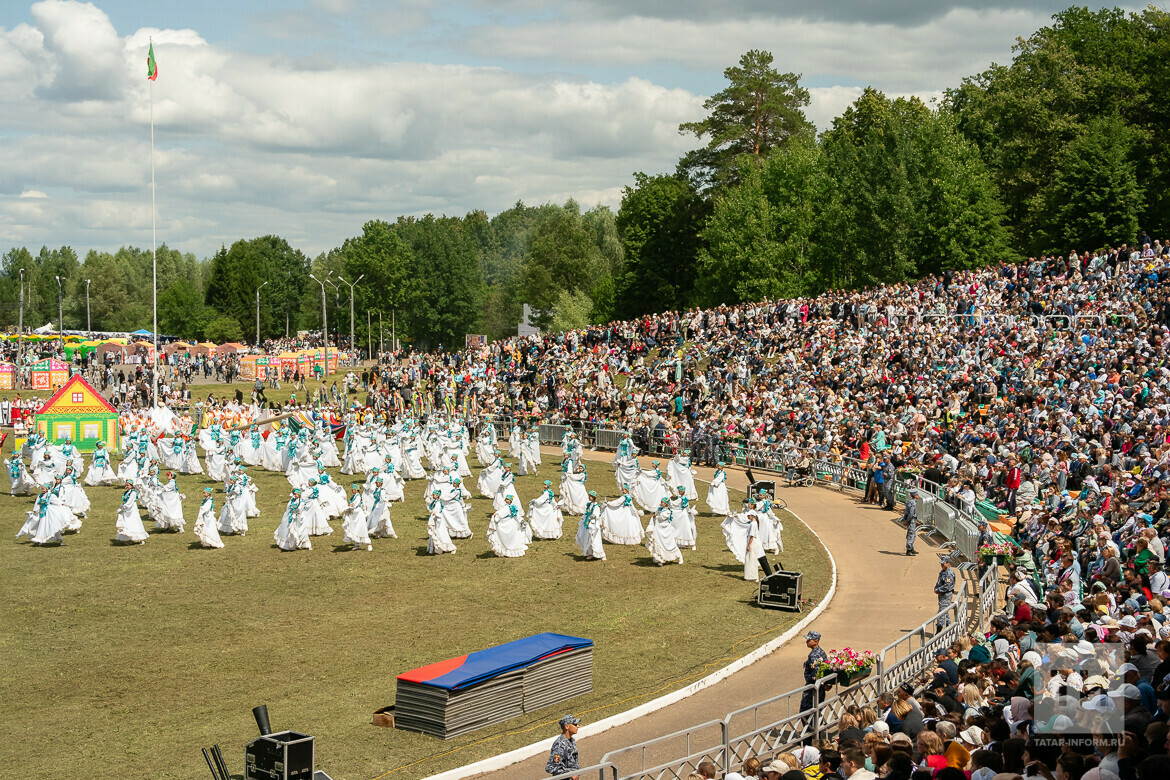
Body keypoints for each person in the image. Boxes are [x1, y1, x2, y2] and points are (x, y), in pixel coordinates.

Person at [801, 631, 828, 711]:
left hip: (813, 688)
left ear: (816, 641)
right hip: (819, 687)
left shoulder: (814, 655)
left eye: (809, 640)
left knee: (806, 711)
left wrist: (816, 685)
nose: (807, 642)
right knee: (818, 710)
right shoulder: (821, 651)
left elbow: (816, 673)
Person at [935, 556, 956, 630]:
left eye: (943, 564)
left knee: (942, 611)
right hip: (941, 594)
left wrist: (938, 590)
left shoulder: (949, 574)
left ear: (948, 563)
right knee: (945, 611)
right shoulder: (942, 572)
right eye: (941, 564)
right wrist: (936, 588)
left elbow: (947, 586)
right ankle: (949, 626)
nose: (942, 565)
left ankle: (939, 627)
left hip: (946, 594)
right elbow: (939, 582)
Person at [903, 488, 919, 556]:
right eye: (917, 494)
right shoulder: (913, 503)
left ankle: (911, 548)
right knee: (911, 534)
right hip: (911, 520)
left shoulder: (911, 502)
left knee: (913, 534)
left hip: (912, 520)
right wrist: (907, 521)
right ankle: (909, 550)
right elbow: (911, 513)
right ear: (915, 495)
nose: (918, 496)